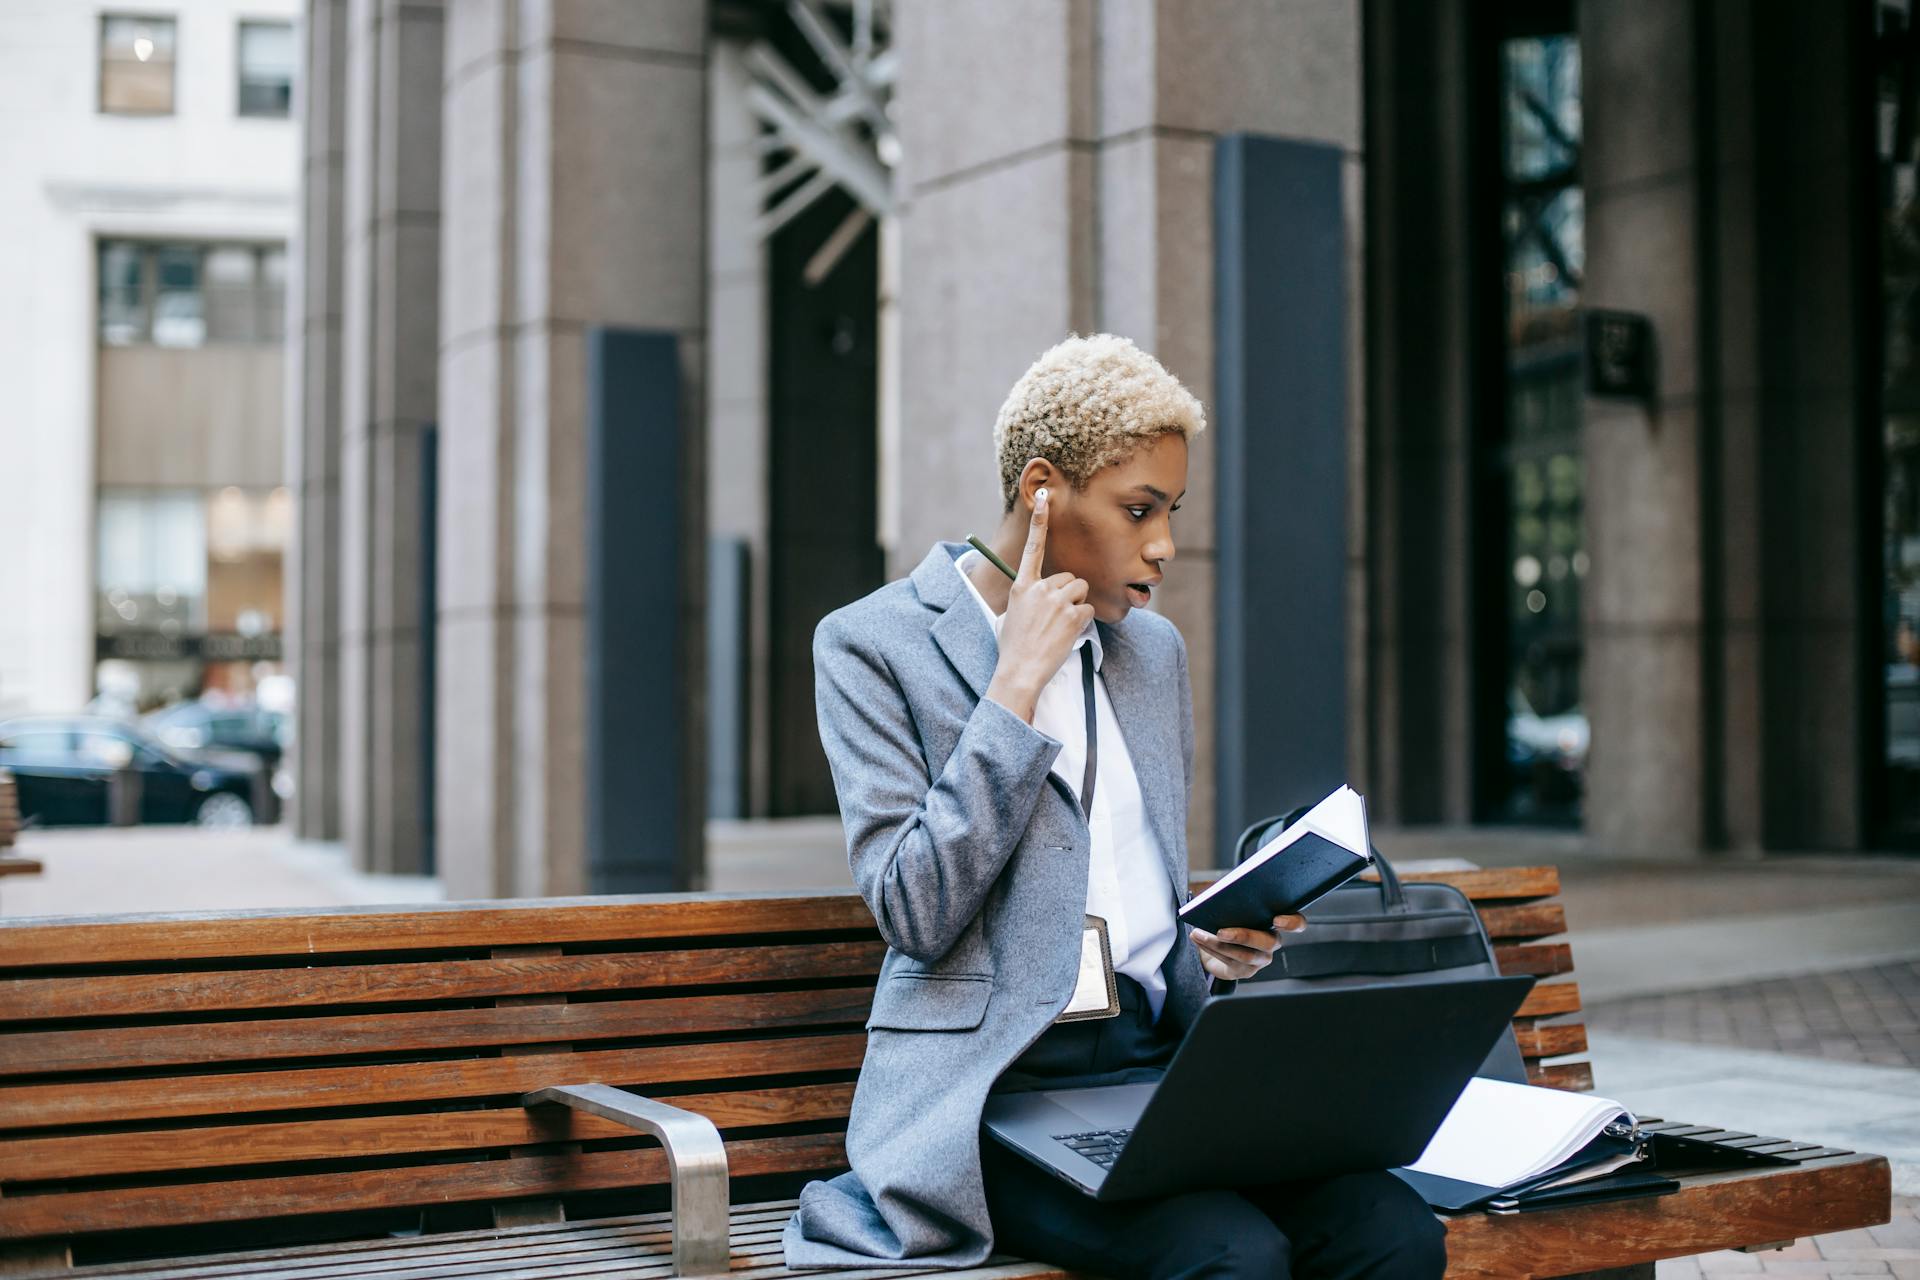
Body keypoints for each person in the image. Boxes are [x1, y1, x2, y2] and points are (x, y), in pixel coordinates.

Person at [783, 335, 1445, 1279]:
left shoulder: (1151, 653)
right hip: (993, 1095)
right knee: (1234, 1257)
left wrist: (1205, 948)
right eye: (1140, 511)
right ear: (1043, 491)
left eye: (1171, 511)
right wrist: (1012, 693)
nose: (1165, 545)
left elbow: (1126, 884)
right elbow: (914, 911)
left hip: (1155, 1068)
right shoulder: (874, 646)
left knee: (1392, 1231)